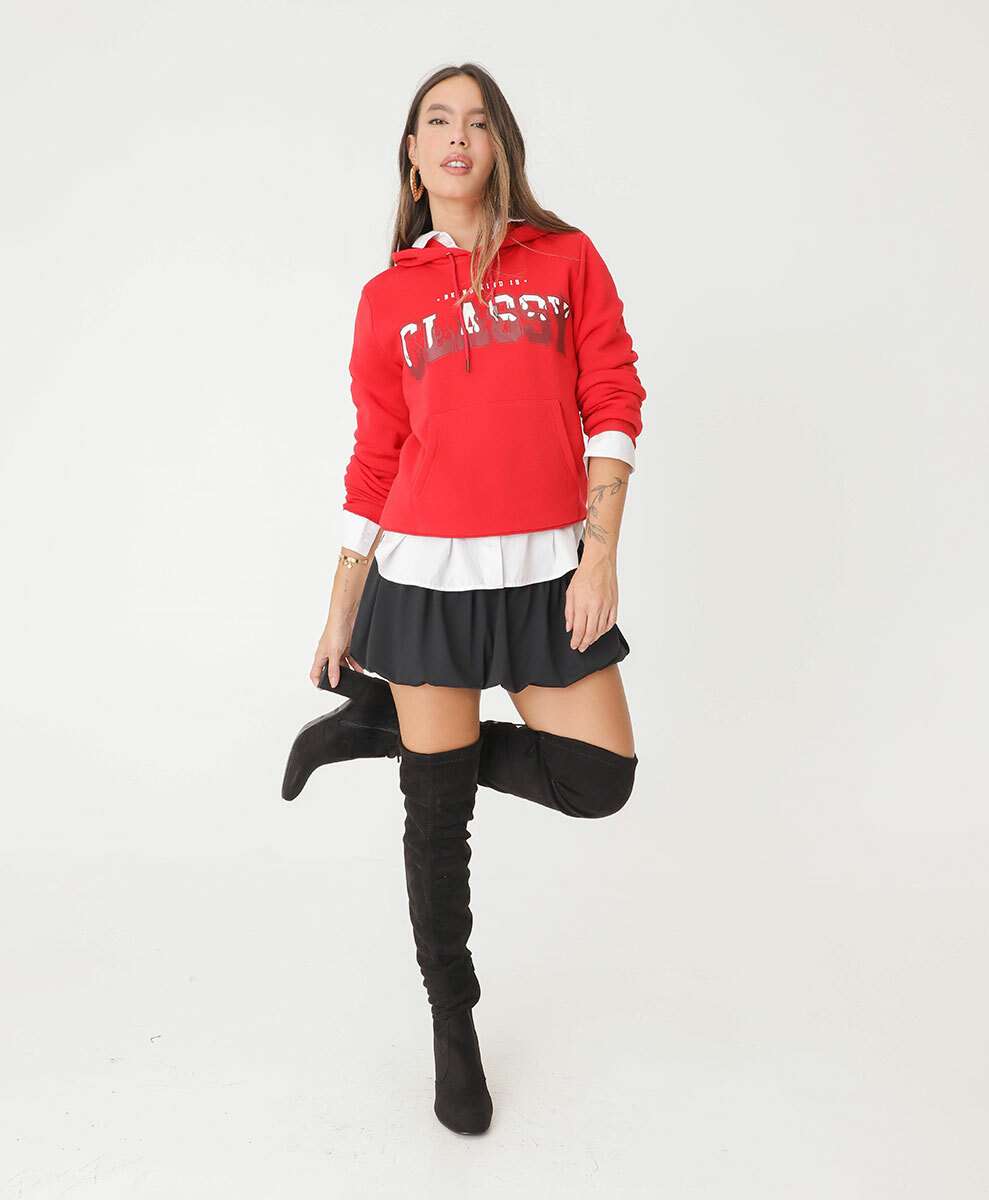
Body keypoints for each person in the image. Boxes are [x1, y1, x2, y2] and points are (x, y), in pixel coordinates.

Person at [282, 63, 645, 1136]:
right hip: (425, 583)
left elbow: (613, 395)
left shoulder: (565, 259)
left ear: (500, 147)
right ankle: (454, 1026)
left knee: (599, 778)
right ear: (413, 155)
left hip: (544, 575)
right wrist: (341, 608)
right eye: (436, 121)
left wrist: (600, 552)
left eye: (476, 121)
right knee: (439, 824)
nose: (456, 136)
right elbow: (377, 456)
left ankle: (385, 730)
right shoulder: (388, 297)